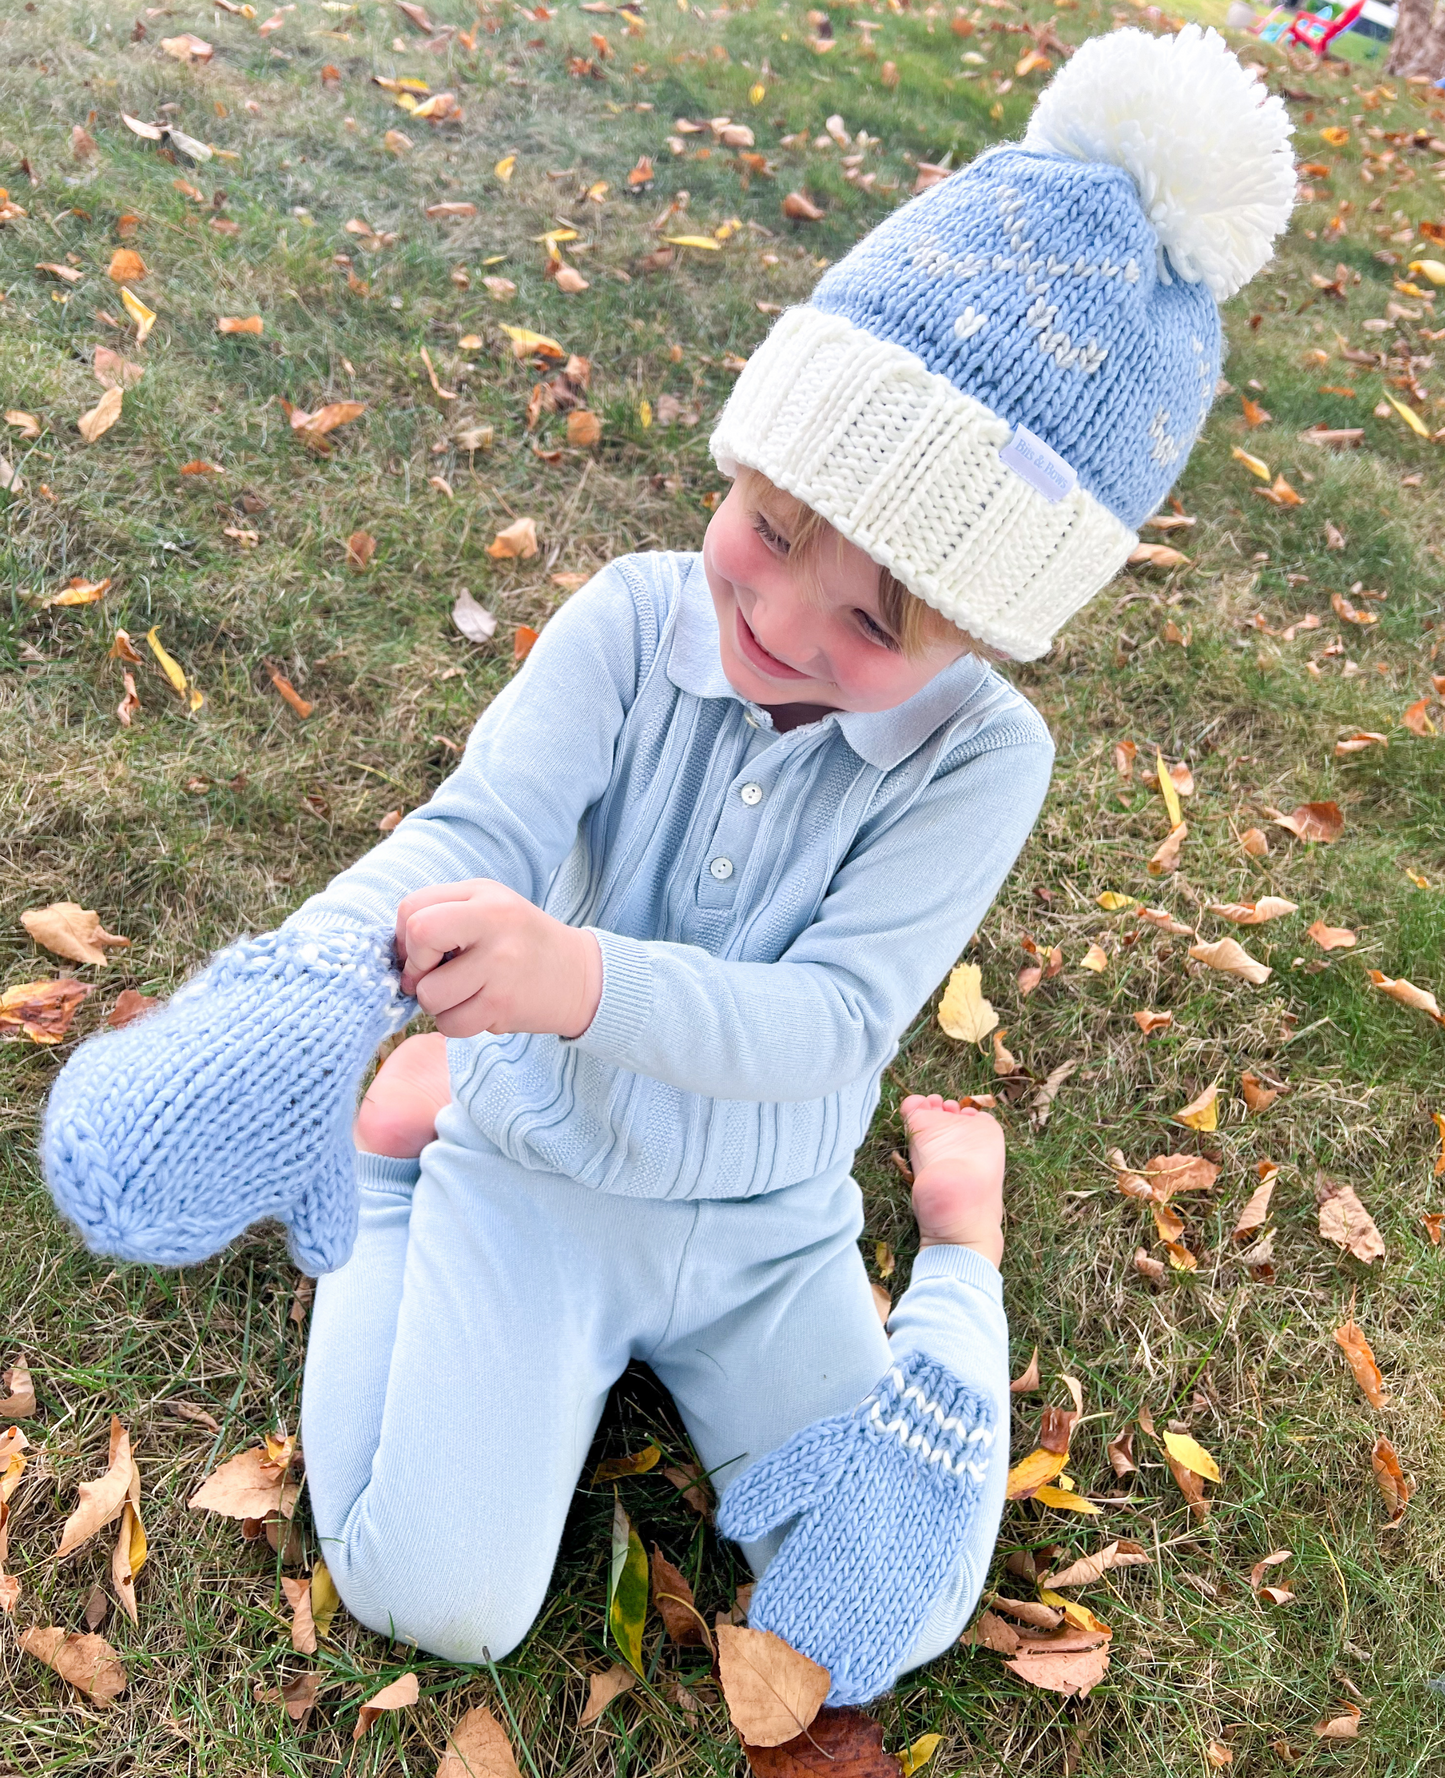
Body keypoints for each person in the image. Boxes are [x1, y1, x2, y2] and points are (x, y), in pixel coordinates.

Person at [40, 26, 1292, 1705]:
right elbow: (466, 833)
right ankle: (391, 1162)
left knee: (885, 1612)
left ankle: (962, 1244)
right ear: (746, 455)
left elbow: (834, 1023)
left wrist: (584, 979)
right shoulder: (637, 618)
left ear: (984, 631)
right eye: (771, 530)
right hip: (530, 1164)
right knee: (434, 1593)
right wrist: (316, 980)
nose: (778, 619)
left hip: (763, 1222)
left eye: (877, 619)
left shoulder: (987, 758)